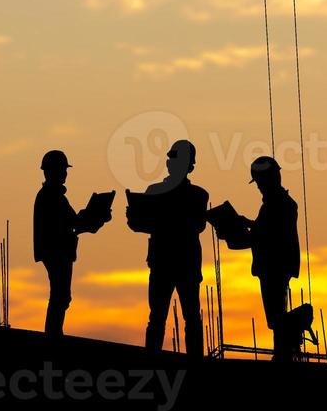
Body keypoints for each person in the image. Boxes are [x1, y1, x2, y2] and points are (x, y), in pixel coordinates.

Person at [128, 140, 209, 356]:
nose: (172, 163)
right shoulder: (156, 191)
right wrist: (134, 217)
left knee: (189, 316)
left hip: (182, 264)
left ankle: (194, 362)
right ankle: (153, 359)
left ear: (189, 165)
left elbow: (197, 225)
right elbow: (140, 225)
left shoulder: (198, 195)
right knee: (158, 317)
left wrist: (153, 220)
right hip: (166, 263)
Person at [225, 155, 301, 361]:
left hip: (274, 267)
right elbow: (264, 231)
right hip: (276, 266)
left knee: (277, 317)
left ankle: (283, 355)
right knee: (276, 316)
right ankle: (283, 353)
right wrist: (246, 224)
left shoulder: (277, 204)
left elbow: (267, 236)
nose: (258, 187)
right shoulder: (278, 203)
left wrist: (236, 232)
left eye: (259, 182)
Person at [33, 150, 110, 336]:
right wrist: (94, 218)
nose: (65, 174)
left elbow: (73, 224)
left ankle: (54, 333)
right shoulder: (51, 196)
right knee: (60, 295)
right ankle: (53, 335)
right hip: (57, 252)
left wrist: (94, 220)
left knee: (61, 295)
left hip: (59, 251)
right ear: (53, 171)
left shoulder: (53, 196)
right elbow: (71, 223)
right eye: (62, 170)